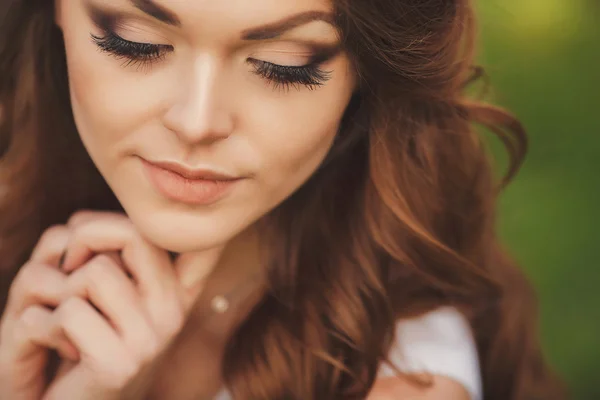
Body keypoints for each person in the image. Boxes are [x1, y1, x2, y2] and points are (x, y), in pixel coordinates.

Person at [0, 0, 565, 399]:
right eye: (134, 39)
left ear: (362, 72)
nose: (197, 121)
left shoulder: (402, 383)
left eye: (284, 66)